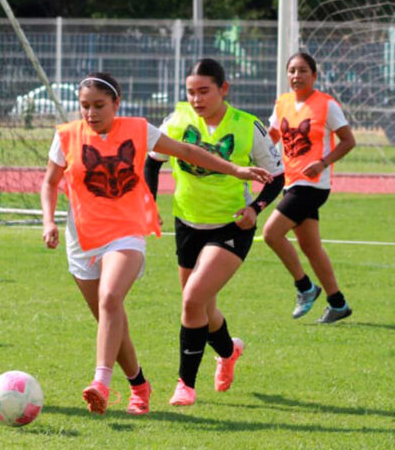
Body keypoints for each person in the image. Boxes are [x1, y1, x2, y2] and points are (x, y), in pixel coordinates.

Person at [40, 72, 272, 416]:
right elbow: (50, 182)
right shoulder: (65, 137)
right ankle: (139, 385)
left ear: (116, 104)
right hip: (81, 240)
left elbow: (186, 150)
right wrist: (48, 221)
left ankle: (101, 382)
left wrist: (235, 170)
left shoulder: (138, 130)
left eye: (99, 105)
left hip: (126, 233)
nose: (91, 113)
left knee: (110, 298)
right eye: (85, 106)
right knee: (110, 318)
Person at [144, 59, 285, 407]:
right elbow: (151, 161)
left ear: (224, 89)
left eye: (204, 91)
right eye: (191, 92)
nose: (196, 99)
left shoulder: (246, 126)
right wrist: (148, 203)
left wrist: (255, 209)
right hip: (187, 223)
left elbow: (277, 176)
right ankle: (228, 350)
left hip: (231, 226)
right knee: (202, 307)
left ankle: (185, 385)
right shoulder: (176, 121)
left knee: (192, 299)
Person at [263, 52, 357, 324]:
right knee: (310, 246)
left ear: (314, 75)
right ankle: (337, 303)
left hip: (313, 184)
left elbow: (348, 141)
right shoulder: (282, 103)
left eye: (302, 70)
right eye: (291, 70)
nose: (296, 75)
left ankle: (305, 287)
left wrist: (323, 163)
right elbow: (271, 136)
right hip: (291, 182)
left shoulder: (327, 105)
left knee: (271, 233)